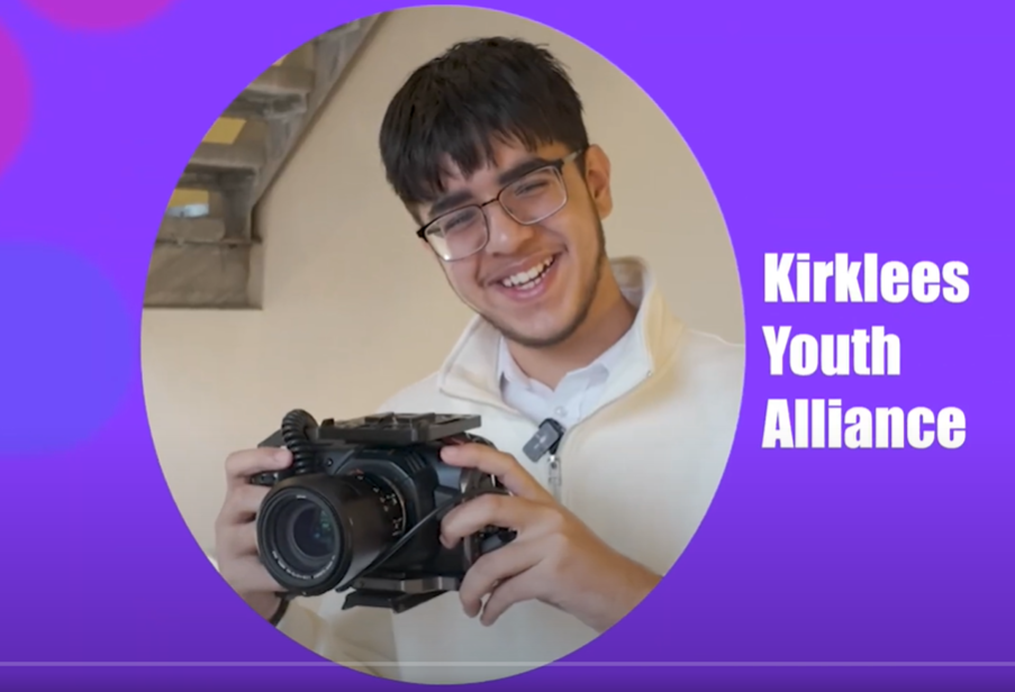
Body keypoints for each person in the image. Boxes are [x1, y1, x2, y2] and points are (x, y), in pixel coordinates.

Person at [212, 36, 744, 685]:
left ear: (595, 182)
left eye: (529, 185)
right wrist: (258, 613)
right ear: (432, 244)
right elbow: (371, 664)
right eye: (457, 218)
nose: (506, 238)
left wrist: (621, 594)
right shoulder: (393, 435)